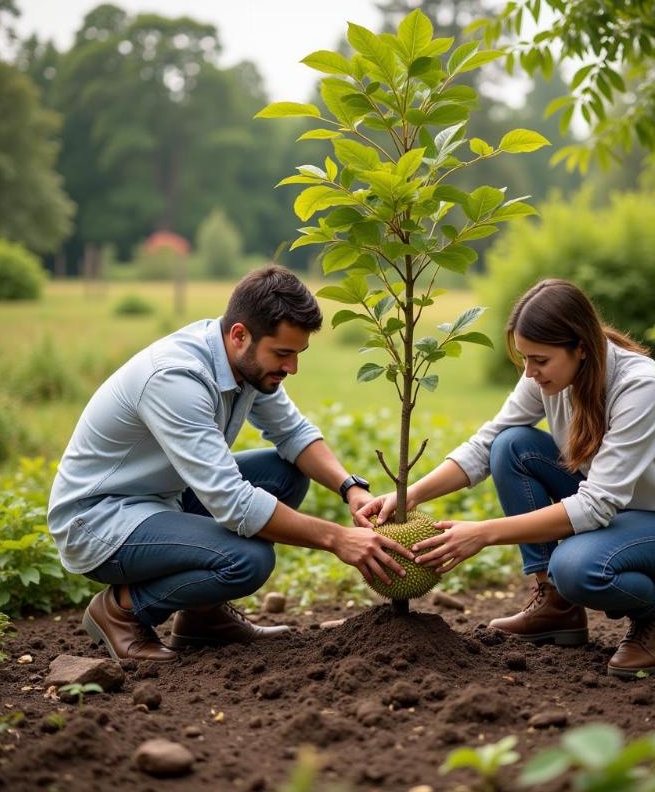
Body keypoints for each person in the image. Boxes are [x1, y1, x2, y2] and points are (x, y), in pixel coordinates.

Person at [357, 279, 655, 677]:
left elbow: (596, 503)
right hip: (618, 512)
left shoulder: (642, 388)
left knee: (574, 567)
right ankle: (557, 607)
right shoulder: (552, 375)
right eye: (524, 358)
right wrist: (411, 495)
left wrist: (483, 532)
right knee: (511, 445)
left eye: (539, 360)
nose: (529, 372)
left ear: (581, 347)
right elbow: (487, 444)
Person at [48, 265, 413, 663]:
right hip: (99, 520)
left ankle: (202, 619)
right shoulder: (177, 379)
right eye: (283, 353)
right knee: (248, 561)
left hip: (161, 499)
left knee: (284, 474)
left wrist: (350, 488)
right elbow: (232, 503)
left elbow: (292, 434)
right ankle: (121, 610)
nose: (292, 368)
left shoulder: (247, 364)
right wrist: (336, 539)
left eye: (297, 354)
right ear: (240, 334)